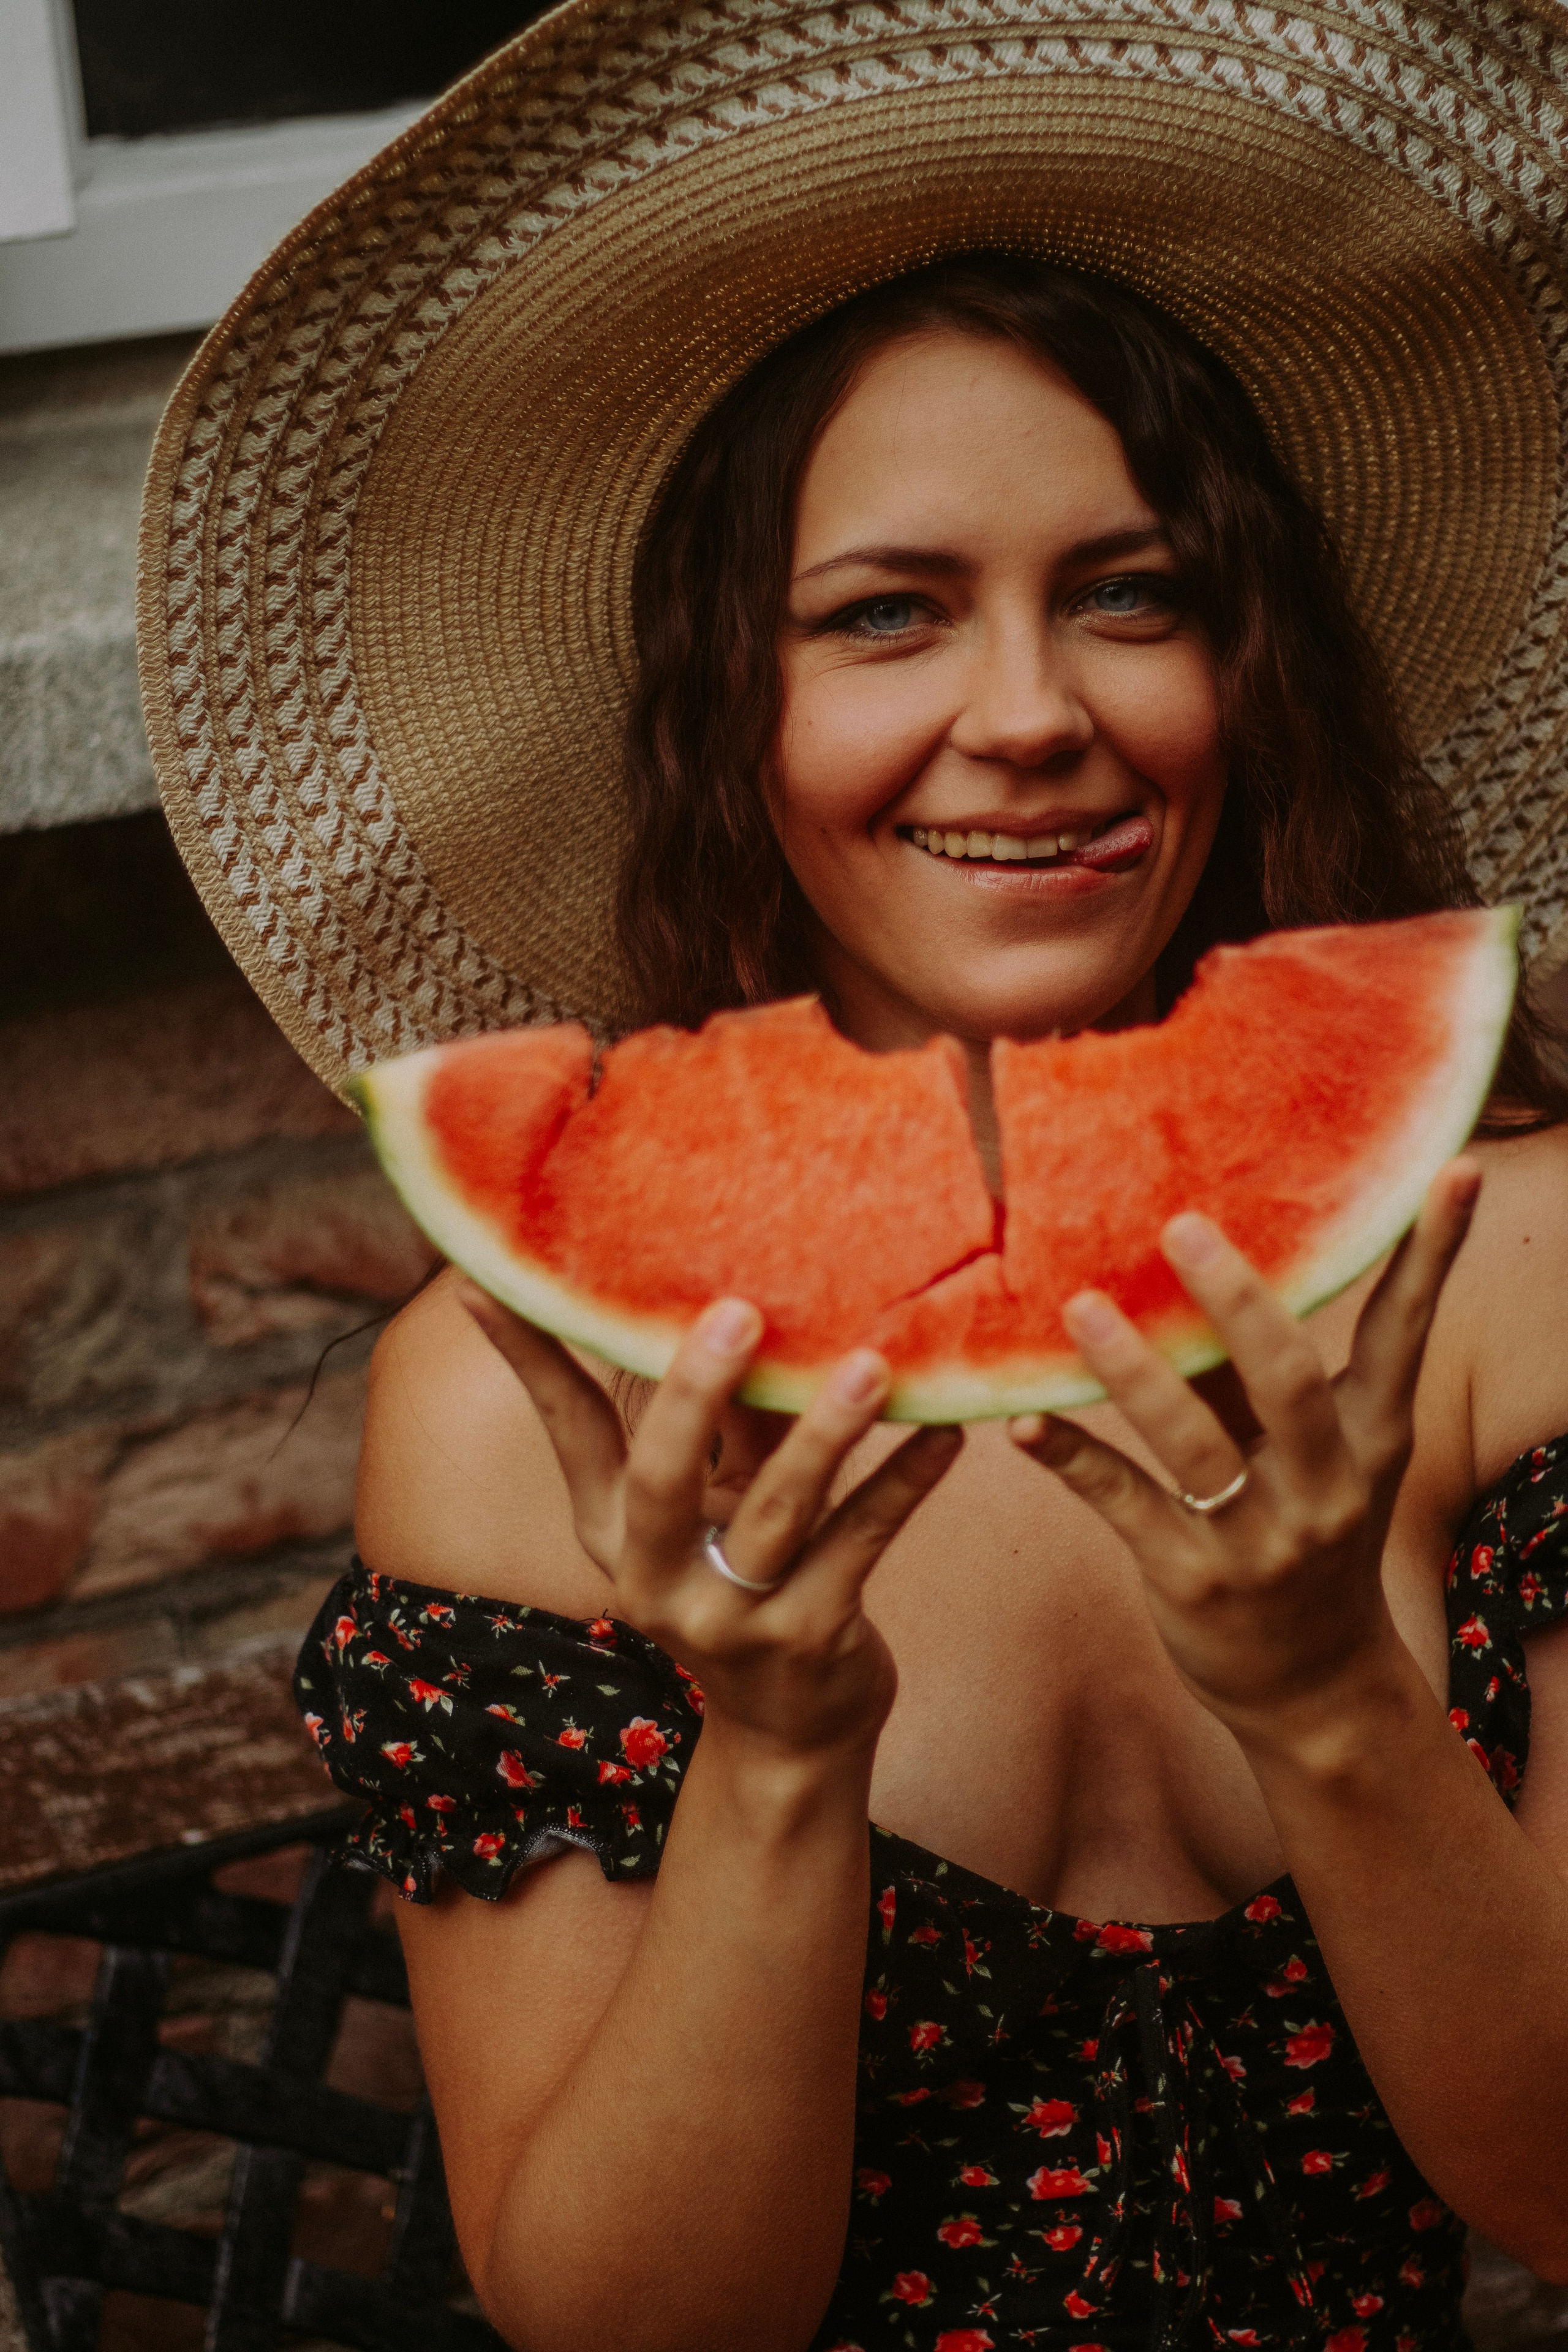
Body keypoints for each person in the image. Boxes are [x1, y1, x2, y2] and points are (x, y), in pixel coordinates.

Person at [135, 6, 1568, 2348]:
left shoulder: (1519, 1271)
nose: (1031, 710)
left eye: (1131, 589)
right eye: (885, 613)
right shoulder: (525, 1402)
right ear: (727, 696)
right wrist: (781, 1758)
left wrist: (1329, 1698)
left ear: (1249, 653)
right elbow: (627, 2324)